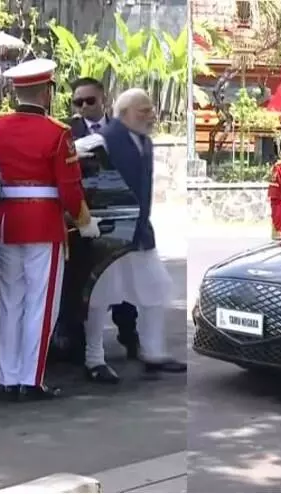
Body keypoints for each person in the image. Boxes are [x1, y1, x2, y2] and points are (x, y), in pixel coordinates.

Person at [0, 58, 102, 401]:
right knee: (41, 303)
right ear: (46, 92)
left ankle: (7, 378)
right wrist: (85, 221)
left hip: (9, 221)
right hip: (43, 222)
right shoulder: (57, 132)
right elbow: (69, 188)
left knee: (10, 302)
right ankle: (31, 379)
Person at [83, 88, 187, 379]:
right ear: (125, 112)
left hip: (140, 231)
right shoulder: (101, 139)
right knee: (100, 297)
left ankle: (154, 352)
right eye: (144, 110)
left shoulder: (145, 142)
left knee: (155, 290)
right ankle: (94, 359)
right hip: (112, 233)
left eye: (150, 109)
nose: (151, 115)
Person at [65, 76, 141, 364]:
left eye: (89, 100)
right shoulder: (66, 132)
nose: (84, 107)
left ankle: (129, 334)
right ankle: (77, 343)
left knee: (123, 281)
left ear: (103, 100)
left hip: (119, 212)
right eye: (78, 102)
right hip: (82, 214)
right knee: (81, 280)